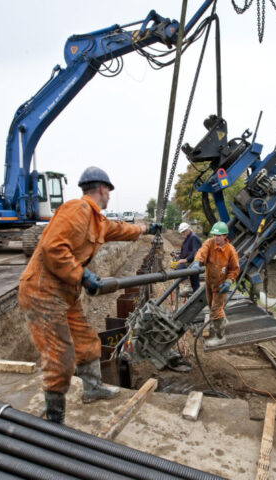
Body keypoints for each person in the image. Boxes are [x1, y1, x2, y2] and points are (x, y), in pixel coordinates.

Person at [18, 166, 162, 424]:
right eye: (109, 192)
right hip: (43, 292)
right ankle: (54, 420)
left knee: (86, 341)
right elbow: (53, 247)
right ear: (102, 189)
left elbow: (120, 229)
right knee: (59, 358)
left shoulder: (97, 220)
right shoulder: (77, 210)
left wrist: (146, 228)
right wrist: (83, 276)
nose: (109, 197)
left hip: (64, 292)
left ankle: (93, 388)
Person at [191, 221, 239, 348]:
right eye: (214, 235)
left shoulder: (230, 251)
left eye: (218, 236)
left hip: (221, 285)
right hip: (209, 282)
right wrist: (197, 261)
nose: (215, 238)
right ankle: (222, 321)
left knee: (215, 310)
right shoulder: (209, 243)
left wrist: (229, 281)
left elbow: (234, 269)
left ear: (225, 236)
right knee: (211, 304)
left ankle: (220, 337)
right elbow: (202, 252)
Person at [175, 222, 202, 293]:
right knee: (194, 281)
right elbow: (186, 251)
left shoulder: (193, 238)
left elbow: (195, 252)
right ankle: (191, 292)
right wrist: (179, 256)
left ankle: (187, 286)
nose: (183, 233)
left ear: (188, 230)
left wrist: (185, 260)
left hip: (194, 262)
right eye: (182, 232)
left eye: (184, 232)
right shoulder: (187, 238)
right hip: (190, 261)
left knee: (194, 281)